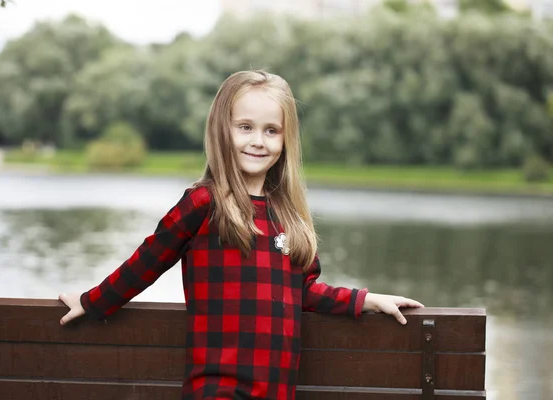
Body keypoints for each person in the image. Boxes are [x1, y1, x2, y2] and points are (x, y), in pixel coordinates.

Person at [58, 70, 424, 399]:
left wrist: (366, 300)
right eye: (245, 127)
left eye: (271, 130)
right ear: (222, 129)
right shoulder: (204, 203)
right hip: (218, 389)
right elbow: (146, 262)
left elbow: (302, 290)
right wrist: (92, 302)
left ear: (285, 140)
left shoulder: (288, 215)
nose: (258, 141)